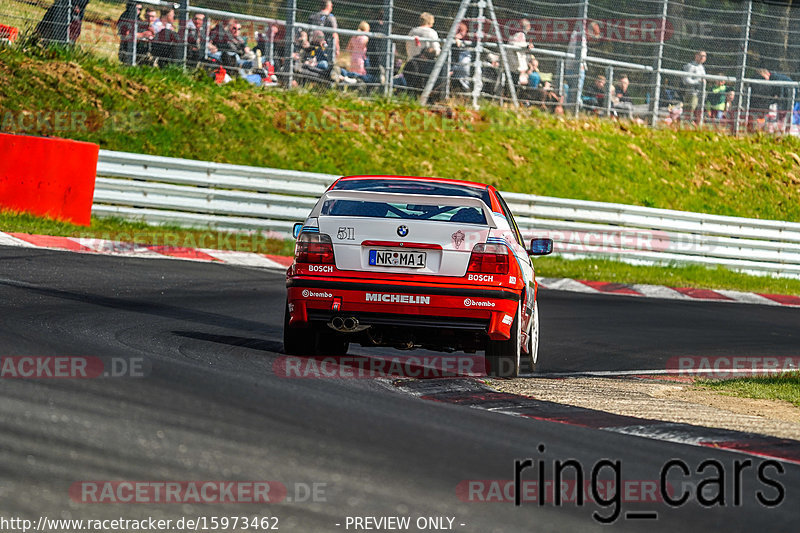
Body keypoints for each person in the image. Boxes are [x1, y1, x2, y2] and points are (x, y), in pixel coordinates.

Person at [564, 21, 600, 107]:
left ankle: (569, 110)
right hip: (577, 68)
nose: (592, 39)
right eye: (593, 36)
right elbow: (580, 55)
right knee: (576, 93)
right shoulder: (581, 39)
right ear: (589, 31)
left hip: (569, 66)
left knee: (570, 91)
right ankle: (573, 109)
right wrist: (582, 66)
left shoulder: (576, 34)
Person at [681, 50, 706, 123]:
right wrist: (698, 82)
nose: (702, 57)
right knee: (691, 110)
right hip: (692, 93)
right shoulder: (691, 66)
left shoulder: (702, 68)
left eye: (704, 56)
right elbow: (686, 80)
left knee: (699, 112)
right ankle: (687, 124)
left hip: (701, 94)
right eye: (701, 55)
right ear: (696, 56)